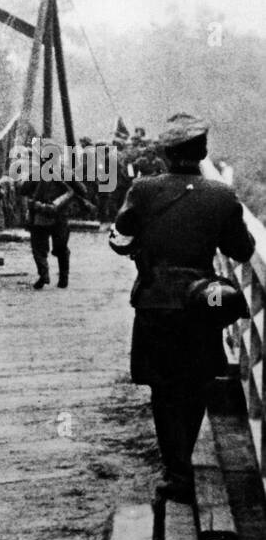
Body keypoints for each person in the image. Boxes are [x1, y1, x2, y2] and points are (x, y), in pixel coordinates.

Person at [109, 113, 254, 506]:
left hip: (155, 300)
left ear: (164, 154)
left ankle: (176, 471)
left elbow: (119, 241)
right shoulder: (222, 195)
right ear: (202, 151)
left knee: (163, 386)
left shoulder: (143, 190)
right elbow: (242, 250)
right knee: (195, 383)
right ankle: (183, 461)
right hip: (201, 301)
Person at [18, 165, 74, 289]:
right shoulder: (66, 172)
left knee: (38, 248)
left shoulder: (37, 172)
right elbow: (79, 191)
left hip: (40, 216)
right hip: (60, 216)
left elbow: (23, 189)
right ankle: (63, 279)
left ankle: (44, 275)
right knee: (61, 248)